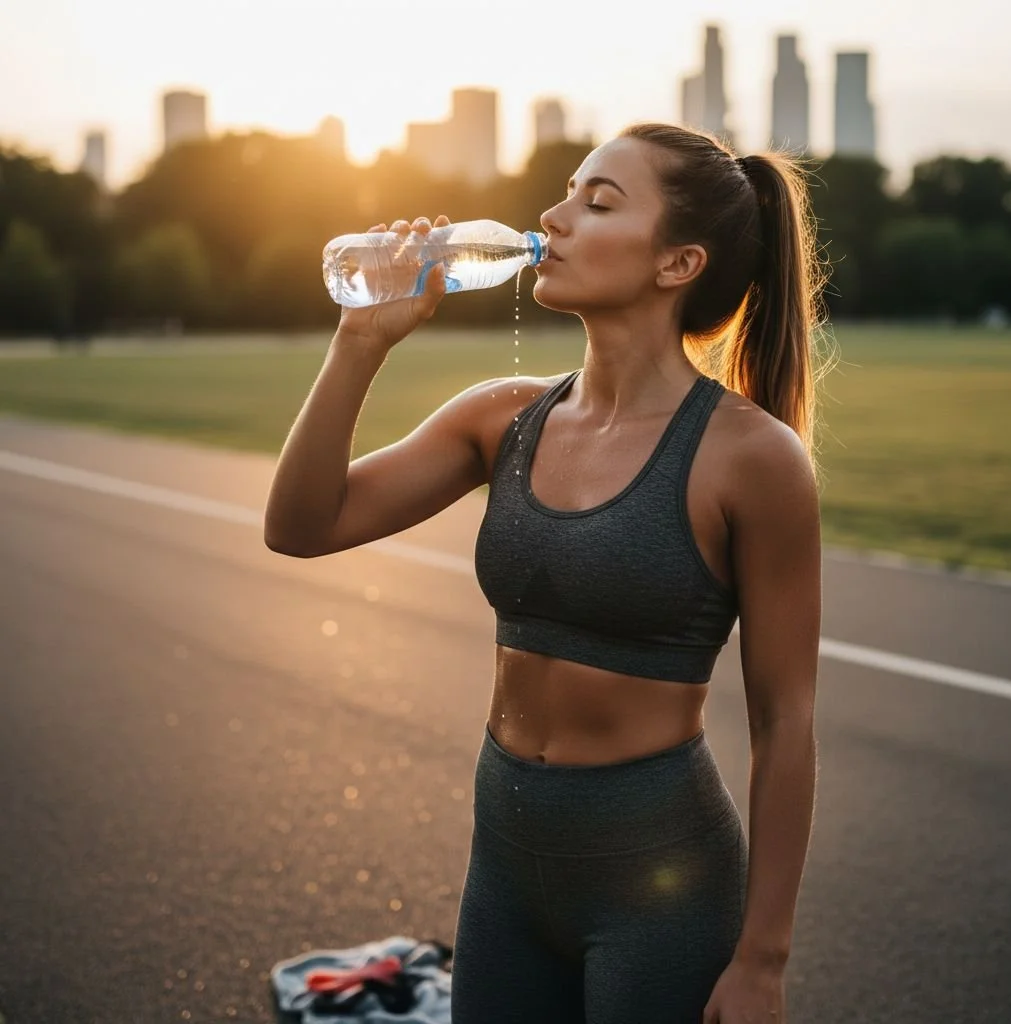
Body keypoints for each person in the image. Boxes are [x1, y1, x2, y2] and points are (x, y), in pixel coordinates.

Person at [264, 121, 828, 1024]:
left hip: (661, 881)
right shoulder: (502, 417)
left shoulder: (751, 458)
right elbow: (299, 526)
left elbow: (785, 717)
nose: (553, 217)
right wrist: (359, 343)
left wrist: (763, 960)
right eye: (567, 192)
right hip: (506, 869)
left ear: (677, 264)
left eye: (597, 202)